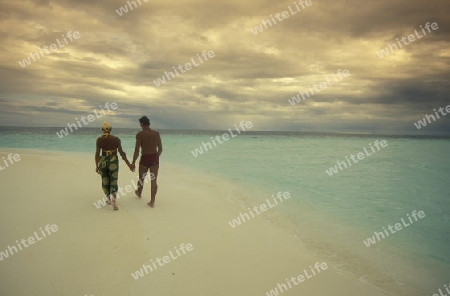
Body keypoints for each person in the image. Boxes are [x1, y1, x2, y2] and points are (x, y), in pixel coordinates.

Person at [95, 122, 132, 210]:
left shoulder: (99, 140)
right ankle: (114, 201)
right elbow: (122, 153)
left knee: (105, 180)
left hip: (103, 161)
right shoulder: (116, 139)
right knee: (113, 181)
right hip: (113, 161)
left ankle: (108, 199)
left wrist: (97, 166)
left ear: (102, 130)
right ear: (111, 130)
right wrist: (128, 164)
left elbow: (97, 154)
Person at [131, 116, 162, 207]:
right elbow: (160, 149)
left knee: (141, 178)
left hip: (145, 158)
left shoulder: (140, 135)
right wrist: (156, 157)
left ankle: (139, 192)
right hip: (154, 158)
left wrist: (133, 162)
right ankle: (152, 201)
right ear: (149, 123)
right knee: (154, 180)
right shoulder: (156, 134)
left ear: (141, 124)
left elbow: (137, 150)